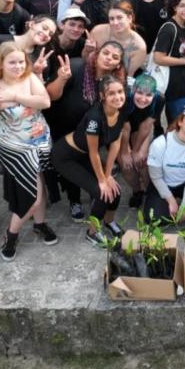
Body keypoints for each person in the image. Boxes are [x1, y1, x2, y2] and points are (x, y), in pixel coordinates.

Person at [0, 41, 58, 261]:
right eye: (12, 62)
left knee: (40, 186)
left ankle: (39, 225)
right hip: (16, 148)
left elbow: (45, 102)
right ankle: (11, 235)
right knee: (33, 198)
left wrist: (15, 97)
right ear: (1, 63)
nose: (18, 66)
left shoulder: (29, 78)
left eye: (21, 62)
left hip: (40, 142)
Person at [45, 41, 126, 220]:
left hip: (90, 136)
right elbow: (50, 95)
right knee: (70, 171)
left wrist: (106, 176)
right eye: (106, 53)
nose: (109, 58)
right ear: (98, 53)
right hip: (64, 129)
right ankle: (74, 201)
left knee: (94, 179)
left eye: (114, 57)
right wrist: (62, 79)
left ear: (118, 64)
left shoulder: (112, 84)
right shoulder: (76, 67)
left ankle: (96, 196)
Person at [51, 76, 127, 247]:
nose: (117, 97)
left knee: (115, 190)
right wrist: (102, 180)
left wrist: (108, 175)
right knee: (102, 193)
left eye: (120, 91)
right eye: (111, 93)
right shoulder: (95, 117)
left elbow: (115, 144)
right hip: (66, 156)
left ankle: (109, 222)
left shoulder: (121, 110)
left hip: (84, 154)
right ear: (102, 96)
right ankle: (92, 233)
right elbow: (93, 152)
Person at [119, 75, 166, 208]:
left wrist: (136, 151)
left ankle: (150, 191)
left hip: (141, 126)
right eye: (139, 93)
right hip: (121, 129)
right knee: (126, 165)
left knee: (142, 161)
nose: (143, 99)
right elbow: (125, 128)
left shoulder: (159, 99)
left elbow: (146, 125)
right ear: (134, 90)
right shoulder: (125, 97)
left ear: (154, 94)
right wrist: (125, 152)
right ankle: (137, 190)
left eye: (148, 95)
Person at [152, 0, 185, 122]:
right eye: (182, 6)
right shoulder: (169, 28)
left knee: (180, 123)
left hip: (184, 85)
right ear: (175, 7)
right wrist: (183, 61)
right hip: (173, 87)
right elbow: (158, 58)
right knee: (179, 124)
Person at [89, 2, 148, 77]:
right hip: (92, 72)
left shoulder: (139, 47)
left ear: (129, 18)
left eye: (119, 18)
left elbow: (128, 75)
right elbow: (85, 59)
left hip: (116, 79)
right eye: (111, 19)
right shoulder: (98, 31)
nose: (115, 22)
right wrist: (87, 50)